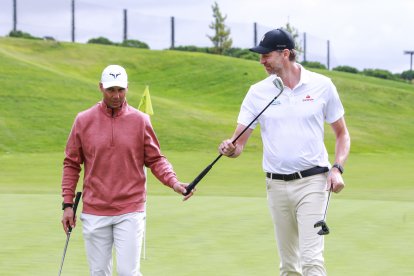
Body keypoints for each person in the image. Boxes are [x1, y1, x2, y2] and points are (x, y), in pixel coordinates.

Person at [218, 29, 350, 276]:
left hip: (313, 182)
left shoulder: (322, 86)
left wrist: (337, 167)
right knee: (289, 266)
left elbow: (342, 134)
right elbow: (239, 143)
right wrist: (230, 147)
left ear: (285, 53)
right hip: (275, 185)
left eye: (266, 55)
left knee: (312, 260)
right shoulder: (258, 92)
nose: (261, 61)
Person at [60, 64, 193, 276]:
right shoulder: (83, 120)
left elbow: (156, 159)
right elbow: (71, 164)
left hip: (130, 209)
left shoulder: (140, 120)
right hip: (95, 209)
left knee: (127, 272)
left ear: (127, 88)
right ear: (101, 87)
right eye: (111, 90)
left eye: (121, 90)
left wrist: (174, 182)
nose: (116, 95)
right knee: (98, 272)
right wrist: (67, 204)